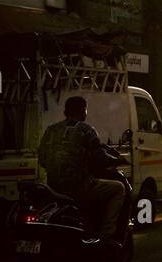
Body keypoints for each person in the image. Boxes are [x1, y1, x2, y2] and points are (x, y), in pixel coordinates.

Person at [38, 95, 125, 238]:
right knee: (118, 189)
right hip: (79, 188)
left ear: (66, 111)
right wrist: (117, 160)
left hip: (53, 188)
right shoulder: (86, 130)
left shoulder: (51, 130)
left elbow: (42, 160)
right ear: (83, 111)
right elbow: (101, 158)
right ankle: (107, 235)